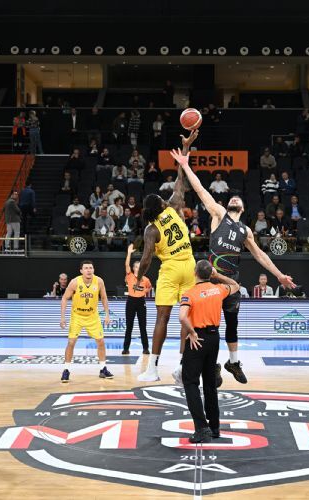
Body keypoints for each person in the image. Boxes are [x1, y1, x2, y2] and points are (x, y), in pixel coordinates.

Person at [171, 145, 295, 384]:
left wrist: (279, 275)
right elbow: (201, 190)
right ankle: (191, 363)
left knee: (232, 324)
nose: (235, 199)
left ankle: (233, 362)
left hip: (231, 283)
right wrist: (186, 166)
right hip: (210, 280)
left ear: (243, 208)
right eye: (232, 198)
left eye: (238, 199)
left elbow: (260, 255)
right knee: (201, 324)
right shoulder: (219, 214)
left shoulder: (245, 230)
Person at [134, 132, 198, 382]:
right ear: (160, 205)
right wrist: (185, 152)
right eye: (161, 198)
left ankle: (152, 369)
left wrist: (139, 278)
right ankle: (183, 367)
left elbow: (146, 259)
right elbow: (180, 182)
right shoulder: (174, 206)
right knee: (187, 317)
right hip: (190, 265)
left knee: (163, 317)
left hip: (170, 269)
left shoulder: (151, 230)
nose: (163, 198)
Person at [179, 260, 241, 443]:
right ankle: (214, 427)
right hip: (214, 338)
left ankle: (201, 429)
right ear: (210, 273)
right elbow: (235, 285)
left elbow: (182, 317)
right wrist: (218, 275)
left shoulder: (190, 293)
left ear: (194, 273)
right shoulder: (219, 289)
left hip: (197, 339)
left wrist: (192, 333)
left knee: (190, 383)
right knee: (209, 384)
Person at [59, 261, 113, 382]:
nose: (89, 270)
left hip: (92, 316)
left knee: (101, 341)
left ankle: (103, 369)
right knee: (71, 342)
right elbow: (64, 298)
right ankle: (66, 370)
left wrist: (107, 314)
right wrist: (62, 317)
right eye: (86, 268)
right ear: (81, 271)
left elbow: (104, 297)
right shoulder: (75, 282)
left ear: (93, 270)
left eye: (91, 268)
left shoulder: (99, 281)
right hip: (77, 315)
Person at [123, 244, 151, 355]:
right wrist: (129, 253)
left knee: (142, 326)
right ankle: (126, 349)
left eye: (140, 266)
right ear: (134, 268)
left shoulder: (146, 279)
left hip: (141, 302)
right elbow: (126, 264)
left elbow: (149, 287)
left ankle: (145, 348)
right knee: (129, 326)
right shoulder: (130, 276)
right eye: (137, 266)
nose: (138, 268)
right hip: (131, 301)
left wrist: (144, 292)